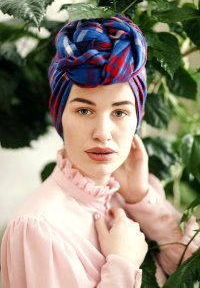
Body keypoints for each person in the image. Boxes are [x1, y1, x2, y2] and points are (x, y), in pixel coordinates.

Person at [1, 14, 200, 288]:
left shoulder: (131, 194)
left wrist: (140, 199)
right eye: (84, 110)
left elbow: (190, 270)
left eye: (119, 112)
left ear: (137, 119)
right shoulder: (38, 228)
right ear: (60, 116)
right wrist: (122, 265)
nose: (103, 133)